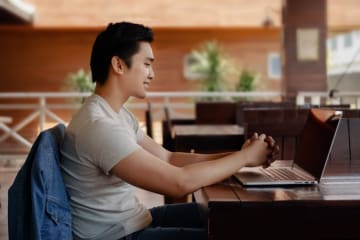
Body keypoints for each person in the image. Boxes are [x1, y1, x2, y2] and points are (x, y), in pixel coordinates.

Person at [60, 22, 279, 240]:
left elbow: (169, 158)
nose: (152, 74)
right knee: (231, 232)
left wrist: (242, 158)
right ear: (118, 64)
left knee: (234, 217)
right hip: (116, 235)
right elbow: (178, 183)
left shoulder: (116, 115)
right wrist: (243, 157)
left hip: (133, 222)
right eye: (146, 64)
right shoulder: (98, 125)